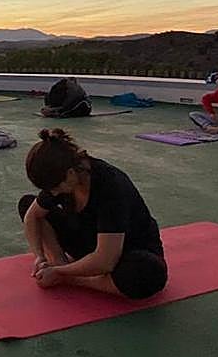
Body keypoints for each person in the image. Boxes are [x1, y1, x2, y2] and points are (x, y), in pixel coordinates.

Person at [19, 128, 167, 299]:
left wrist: (61, 274)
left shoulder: (110, 185)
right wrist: (40, 257)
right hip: (90, 240)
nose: (53, 193)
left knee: (146, 274)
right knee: (28, 204)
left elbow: (106, 260)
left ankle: (72, 277)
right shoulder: (62, 177)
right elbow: (33, 216)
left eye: (55, 187)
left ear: (70, 174)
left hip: (126, 251)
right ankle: (59, 261)